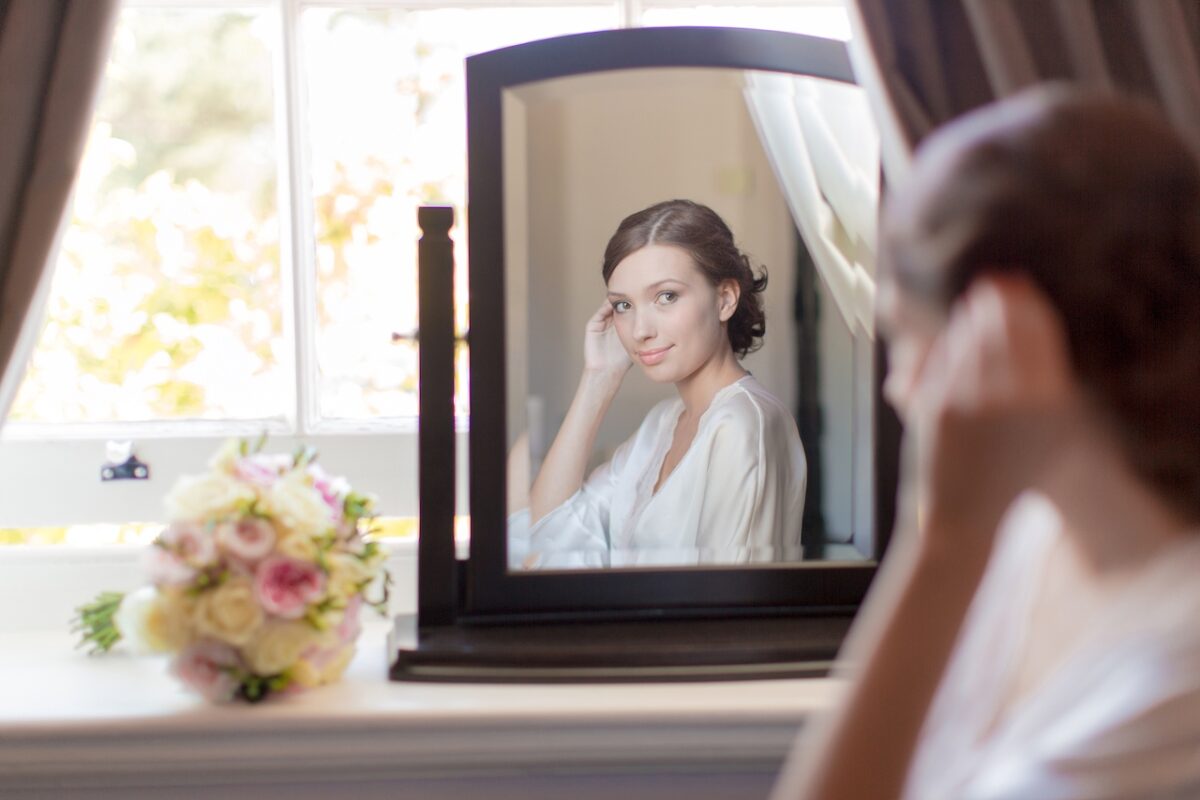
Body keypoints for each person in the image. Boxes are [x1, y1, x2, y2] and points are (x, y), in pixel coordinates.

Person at [772, 86, 1200, 799]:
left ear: (1006, 332)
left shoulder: (1178, 675)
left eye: (906, 339)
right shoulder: (1033, 533)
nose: (897, 386)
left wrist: (944, 540)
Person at [508, 199, 808, 569]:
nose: (640, 330)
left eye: (666, 297)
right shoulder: (662, 423)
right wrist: (598, 378)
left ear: (725, 299)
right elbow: (546, 541)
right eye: (623, 305)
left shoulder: (743, 425)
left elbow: (724, 599)